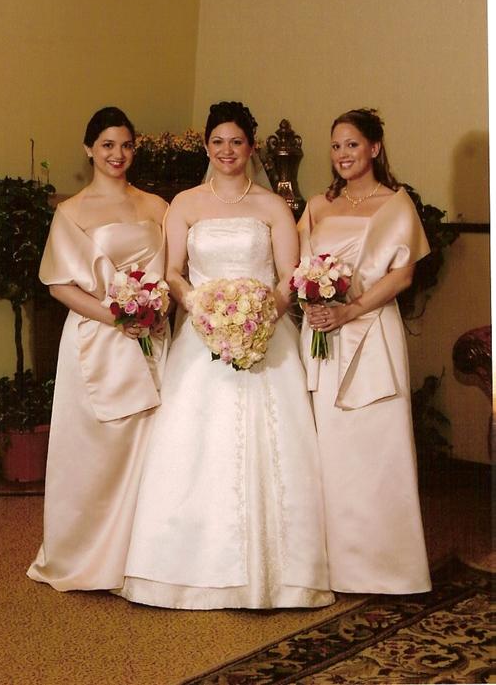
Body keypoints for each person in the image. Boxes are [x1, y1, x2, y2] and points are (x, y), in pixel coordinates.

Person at [114, 101, 334, 610]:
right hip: (200, 335)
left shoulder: (273, 206)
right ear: (207, 146)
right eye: (218, 142)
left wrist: (262, 315)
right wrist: (199, 307)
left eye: (236, 142)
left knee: (273, 446)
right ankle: (188, 567)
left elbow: (289, 275)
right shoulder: (185, 204)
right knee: (193, 446)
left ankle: (280, 574)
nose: (227, 151)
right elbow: (172, 271)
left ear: (251, 148)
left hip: (265, 335)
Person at [27, 106, 169, 591]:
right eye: (108, 145)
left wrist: (156, 311)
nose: (117, 154)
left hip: (153, 340)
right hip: (96, 340)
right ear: (89, 149)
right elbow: (58, 285)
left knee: (151, 449)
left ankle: (142, 558)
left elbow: (174, 271)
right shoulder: (72, 211)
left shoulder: (157, 206)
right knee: (94, 452)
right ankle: (84, 554)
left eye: (126, 145)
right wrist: (117, 317)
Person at [298, 107, 431, 594]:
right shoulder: (318, 205)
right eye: (336, 146)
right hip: (321, 335)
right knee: (326, 447)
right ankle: (331, 566)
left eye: (352, 144)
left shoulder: (396, 204)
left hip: (371, 331)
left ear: (374, 148)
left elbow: (403, 275)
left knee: (375, 445)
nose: (342, 154)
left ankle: (386, 567)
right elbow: (296, 267)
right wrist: (312, 303)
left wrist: (350, 311)